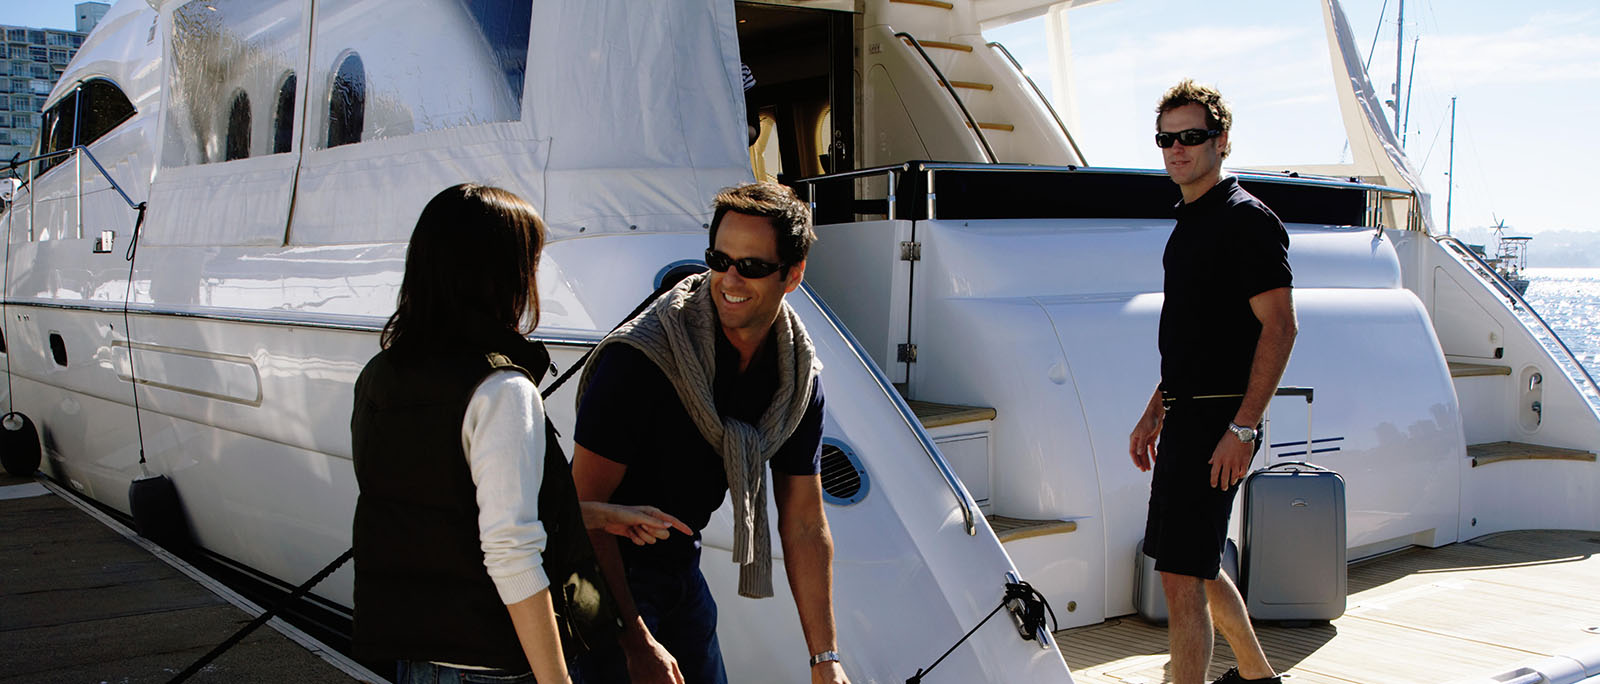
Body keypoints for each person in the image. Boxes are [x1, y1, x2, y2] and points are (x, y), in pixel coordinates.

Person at [351, 183, 686, 684]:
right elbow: (511, 553)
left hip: (419, 659)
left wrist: (592, 515)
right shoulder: (501, 388)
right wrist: (556, 679)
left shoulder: (380, 375)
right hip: (493, 667)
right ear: (503, 275)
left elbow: (442, 515)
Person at [570, 182, 851, 684]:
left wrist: (824, 660)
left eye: (752, 266)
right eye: (719, 260)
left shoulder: (794, 376)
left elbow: (805, 523)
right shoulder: (641, 360)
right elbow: (580, 514)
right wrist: (635, 643)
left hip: (680, 566)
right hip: (601, 575)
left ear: (793, 274)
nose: (729, 279)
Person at [1128, 81, 1297, 684]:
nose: (1177, 149)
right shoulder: (1190, 223)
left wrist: (1243, 429)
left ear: (1221, 141)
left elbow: (1280, 328)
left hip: (1220, 423)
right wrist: (1157, 408)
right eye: (1166, 139)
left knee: (1179, 577)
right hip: (1188, 416)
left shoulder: (1245, 221)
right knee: (1195, 565)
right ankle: (1257, 677)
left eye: (1191, 137)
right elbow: (1196, 336)